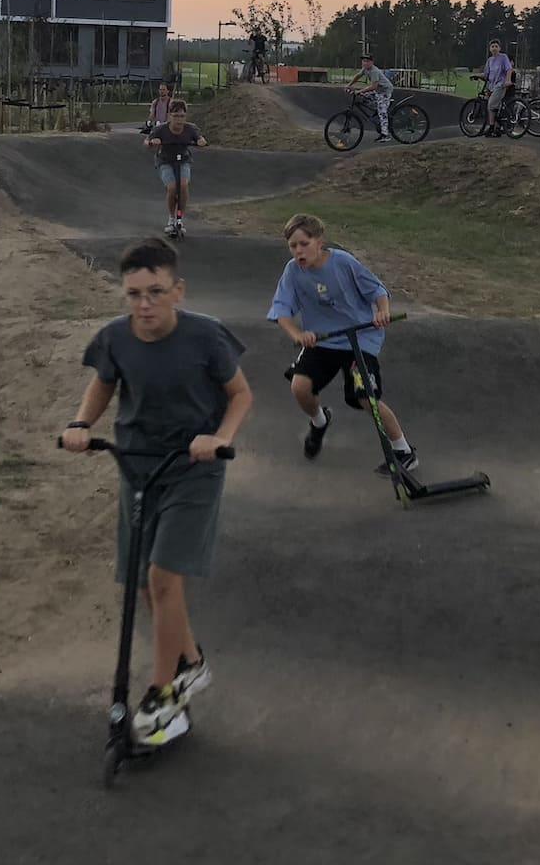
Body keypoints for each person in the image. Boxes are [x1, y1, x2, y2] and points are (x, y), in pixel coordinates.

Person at [61, 236, 254, 745]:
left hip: (194, 469)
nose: (144, 304)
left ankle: (162, 693)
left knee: (163, 578)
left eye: (155, 292)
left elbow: (241, 395)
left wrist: (220, 438)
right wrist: (81, 423)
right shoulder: (115, 339)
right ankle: (191, 663)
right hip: (137, 467)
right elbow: (104, 382)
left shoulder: (206, 337)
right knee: (145, 587)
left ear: (178, 291)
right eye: (134, 294)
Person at [268, 212, 417, 475]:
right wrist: (298, 335)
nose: (299, 251)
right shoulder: (292, 271)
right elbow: (281, 311)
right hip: (323, 341)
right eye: (293, 246)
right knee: (300, 387)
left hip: (360, 340)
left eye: (304, 244)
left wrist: (382, 311)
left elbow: (377, 291)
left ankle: (404, 450)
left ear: (319, 241)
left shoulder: (343, 262)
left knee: (366, 396)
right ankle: (319, 421)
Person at [145, 99, 206, 236]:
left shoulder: (190, 128)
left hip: (183, 160)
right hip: (165, 160)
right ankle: (171, 218)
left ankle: (180, 218)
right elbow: (147, 141)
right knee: (172, 187)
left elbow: (199, 138)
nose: (179, 120)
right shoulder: (161, 129)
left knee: (183, 186)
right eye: (176, 116)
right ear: (169, 116)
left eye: (182, 116)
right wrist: (152, 142)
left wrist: (201, 141)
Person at [345, 51, 395, 142]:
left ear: (372, 62)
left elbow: (373, 87)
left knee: (382, 112)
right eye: (363, 61)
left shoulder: (374, 71)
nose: (365, 63)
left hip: (384, 91)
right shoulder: (365, 69)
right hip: (377, 91)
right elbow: (358, 76)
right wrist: (349, 84)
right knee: (364, 96)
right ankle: (377, 112)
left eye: (367, 61)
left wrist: (359, 91)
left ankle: (385, 135)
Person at [480, 39, 515, 136]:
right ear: (490, 49)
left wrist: (508, 80)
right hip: (491, 86)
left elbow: (509, 69)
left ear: (499, 48)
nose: (494, 48)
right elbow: (486, 74)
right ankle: (497, 127)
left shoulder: (503, 57)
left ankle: (491, 128)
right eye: (492, 46)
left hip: (500, 85)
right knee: (491, 105)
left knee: (491, 104)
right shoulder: (489, 60)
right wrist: (477, 76)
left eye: (496, 46)